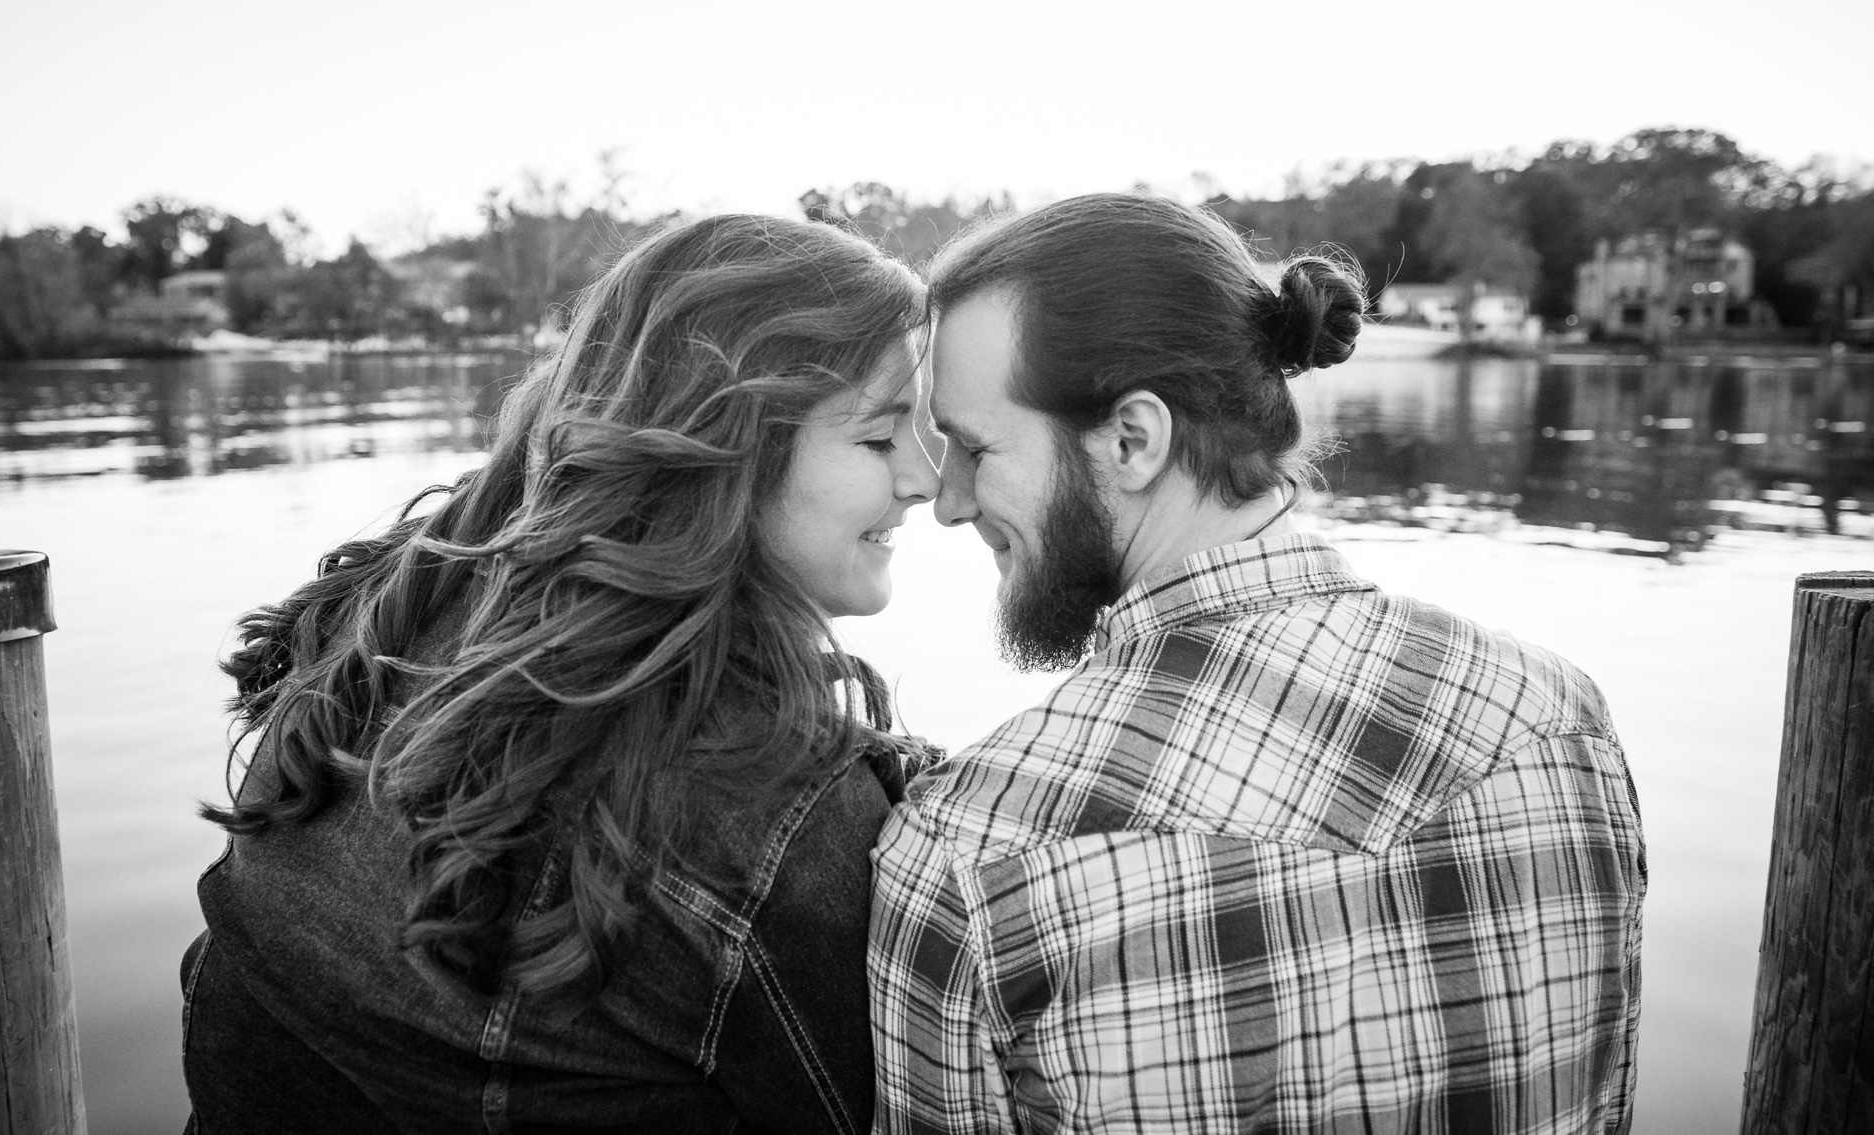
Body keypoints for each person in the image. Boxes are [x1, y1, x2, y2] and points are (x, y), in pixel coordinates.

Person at [868, 193, 1645, 1132]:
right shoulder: (1558, 721)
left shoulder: (971, 856)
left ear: (1132, 440)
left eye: (975, 447)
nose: (947, 502)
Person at [183, 214, 941, 1133]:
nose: (926, 479)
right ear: (727, 452)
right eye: (878, 439)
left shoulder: (384, 631)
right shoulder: (762, 805)